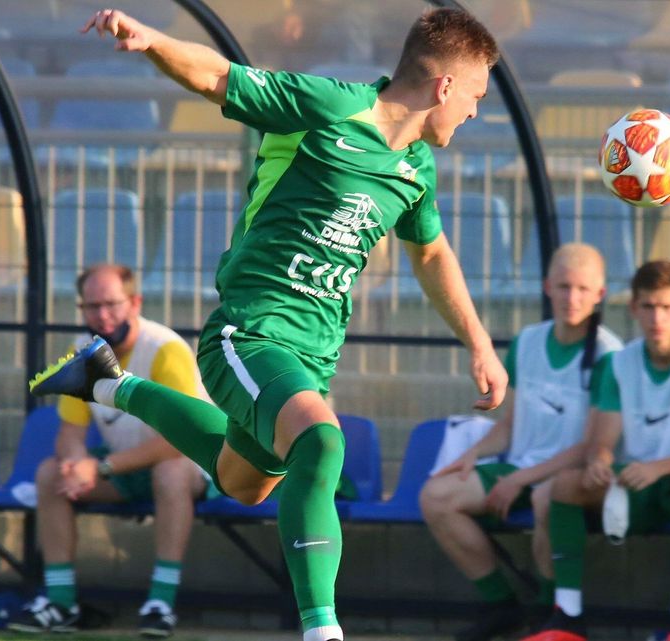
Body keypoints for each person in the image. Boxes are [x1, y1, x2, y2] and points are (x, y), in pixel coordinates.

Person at [28, 8, 505, 641]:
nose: (474, 112)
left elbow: (433, 254)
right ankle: (322, 631)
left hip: (312, 355)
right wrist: (151, 43)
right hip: (247, 334)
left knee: (241, 482)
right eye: (474, 95)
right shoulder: (329, 106)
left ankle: (110, 385)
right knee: (323, 442)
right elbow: (219, 79)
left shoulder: (416, 167)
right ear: (444, 86)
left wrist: (480, 344)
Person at [523, 260, 670, 641]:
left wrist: (657, 468)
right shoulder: (621, 362)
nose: (657, 318)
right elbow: (602, 442)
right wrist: (600, 461)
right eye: (648, 307)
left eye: (666, 307)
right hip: (647, 480)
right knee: (564, 486)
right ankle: (567, 618)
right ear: (633, 309)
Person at [419, 243, 623, 641]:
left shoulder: (609, 354)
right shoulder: (528, 341)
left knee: (548, 496)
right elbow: (511, 425)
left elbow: (591, 446)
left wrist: (520, 479)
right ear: (547, 286)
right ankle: (503, 606)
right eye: (564, 286)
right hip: (521, 467)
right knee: (436, 496)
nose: (572, 297)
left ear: (600, 294)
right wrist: (473, 455)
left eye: (583, 288)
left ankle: (553, 612)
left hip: (569, 475)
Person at [9, 264, 215, 638]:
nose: (102, 316)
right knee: (49, 474)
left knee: (169, 473)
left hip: (192, 465)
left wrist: (100, 467)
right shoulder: (81, 351)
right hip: (123, 467)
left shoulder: (165, 348)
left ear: (135, 303)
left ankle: (160, 602)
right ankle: (61, 602)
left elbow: (180, 440)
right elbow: (71, 431)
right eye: (91, 306)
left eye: (111, 304)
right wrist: (74, 463)